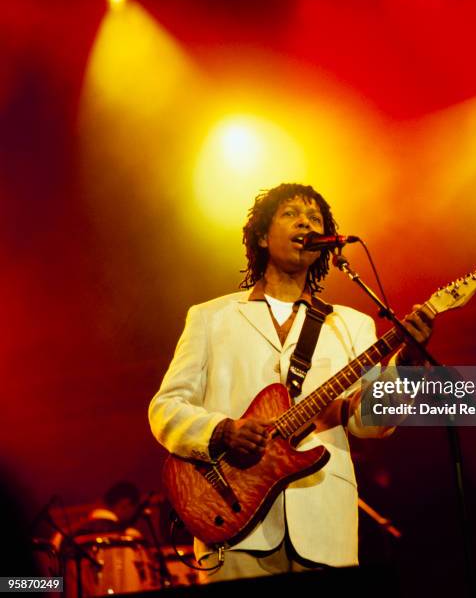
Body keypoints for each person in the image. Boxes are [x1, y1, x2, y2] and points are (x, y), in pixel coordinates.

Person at [148, 183, 433, 581]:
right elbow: (166, 407)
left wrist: (407, 363)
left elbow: (372, 423)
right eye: (291, 214)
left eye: (315, 218)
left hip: (324, 524)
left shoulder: (351, 324)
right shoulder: (211, 318)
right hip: (232, 519)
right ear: (263, 236)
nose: (306, 222)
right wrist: (223, 431)